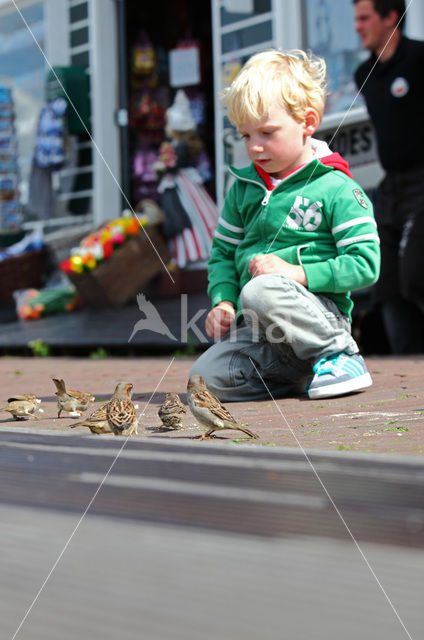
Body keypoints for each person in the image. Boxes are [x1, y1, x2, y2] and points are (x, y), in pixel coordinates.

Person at [189, 49, 380, 401]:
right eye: (245, 136)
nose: (255, 147)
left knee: (260, 289)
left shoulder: (335, 186)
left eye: (267, 132)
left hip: (320, 317)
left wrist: (296, 272)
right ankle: (303, 376)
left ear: (307, 122)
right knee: (205, 379)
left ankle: (339, 355)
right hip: (262, 333)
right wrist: (224, 302)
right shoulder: (242, 189)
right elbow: (222, 254)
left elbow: (365, 265)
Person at [353, 0, 424, 353]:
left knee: (416, 275)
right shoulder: (363, 74)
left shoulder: (419, 58)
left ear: (390, 18)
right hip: (392, 186)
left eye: (364, 18)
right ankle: (408, 370)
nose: (357, 26)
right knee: (386, 282)